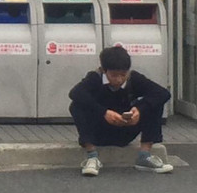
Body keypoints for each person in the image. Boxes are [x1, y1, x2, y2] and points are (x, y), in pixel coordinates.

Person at [69, 46, 173, 176]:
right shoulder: (94, 78)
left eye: (123, 75)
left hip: (127, 129)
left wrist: (139, 110)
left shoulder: (134, 79)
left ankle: (144, 156)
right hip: (99, 132)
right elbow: (75, 93)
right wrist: (104, 112)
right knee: (76, 105)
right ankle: (92, 156)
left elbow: (163, 93)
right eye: (113, 75)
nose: (118, 80)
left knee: (154, 103)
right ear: (104, 70)